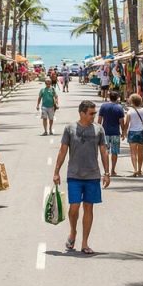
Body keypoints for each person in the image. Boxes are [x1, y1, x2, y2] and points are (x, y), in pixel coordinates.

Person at [53, 100, 111, 255]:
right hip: (74, 175)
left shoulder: (99, 130)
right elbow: (63, 151)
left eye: (94, 113)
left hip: (93, 175)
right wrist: (56, 171)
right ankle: (73, 231)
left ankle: (85, 243)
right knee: (74, 207)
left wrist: (107, 172)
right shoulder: (70, 129)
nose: (94, 116)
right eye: (91, 113)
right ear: (82, 113)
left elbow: (104, 151)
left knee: (89, 208)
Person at [97, 91, 125, 177]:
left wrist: (98, 131)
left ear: (109, 97)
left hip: (105, 133)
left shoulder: (103, 106)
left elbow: (99, 120)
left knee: (105, 152)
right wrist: (123, 132)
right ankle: (112, 170)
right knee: (114, 152)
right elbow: (121, 122)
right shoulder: (119, 108)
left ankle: (106, 170)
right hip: (115, 133)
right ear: (117, 98)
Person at [125, 94, 143, 177]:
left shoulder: (129, 111)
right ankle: (139, 169)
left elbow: (127, 123)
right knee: (140, 153)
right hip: (141, 132)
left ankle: (135, 169)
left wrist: (124, 132)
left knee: (133, 153)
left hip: (132, 132)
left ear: (132, 102)